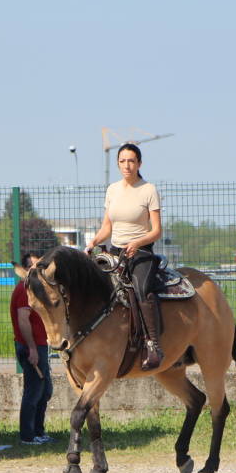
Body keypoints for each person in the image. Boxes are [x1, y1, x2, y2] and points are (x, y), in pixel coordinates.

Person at [84, 142, 164, 370]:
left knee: (140, 290)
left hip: (141, 252)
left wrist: (137, 242)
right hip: (115, 252)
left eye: (131, 161)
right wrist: (93, 242)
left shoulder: (148, 189)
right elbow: (107, 228)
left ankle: (153, 345)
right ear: (117, 163)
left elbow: (157, 230)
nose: (127, 165)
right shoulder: (112, 190)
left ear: (139, 163)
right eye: (122, 161)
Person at [10, 252, 53, 445]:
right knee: (34, 391)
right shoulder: (24, 289)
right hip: (31, 348)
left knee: (44, 391)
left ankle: (38, 431)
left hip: (40, 346)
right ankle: (28, 435)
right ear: (26, 270)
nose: (38, 271)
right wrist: (32, 349)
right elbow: (23, 320)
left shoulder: (35, 289)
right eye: (34, 267)